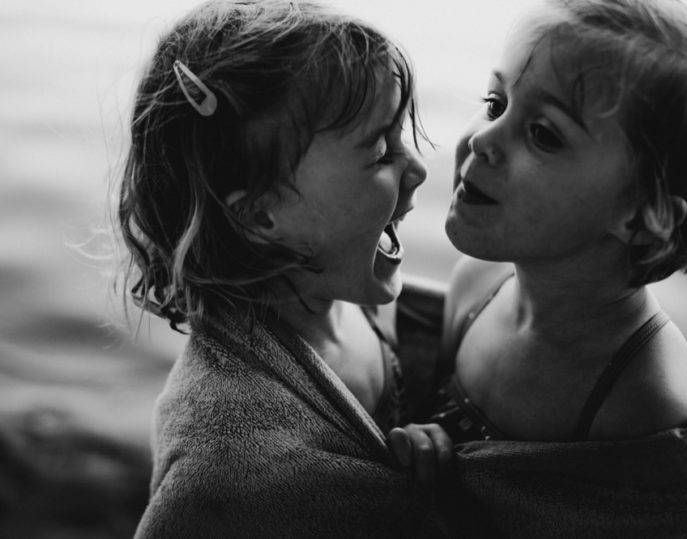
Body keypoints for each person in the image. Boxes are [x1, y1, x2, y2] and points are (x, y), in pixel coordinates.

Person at [389, 0, 687, 535]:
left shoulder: (642, 396)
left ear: (645, 216)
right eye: (494, 101)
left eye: (544, 135)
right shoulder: (479, 283)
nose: (483, 139)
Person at [116, 0, 446, 536]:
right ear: (261, 215)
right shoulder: (225, 465)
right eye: (382, 152)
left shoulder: (346, 296)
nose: (418, 169)